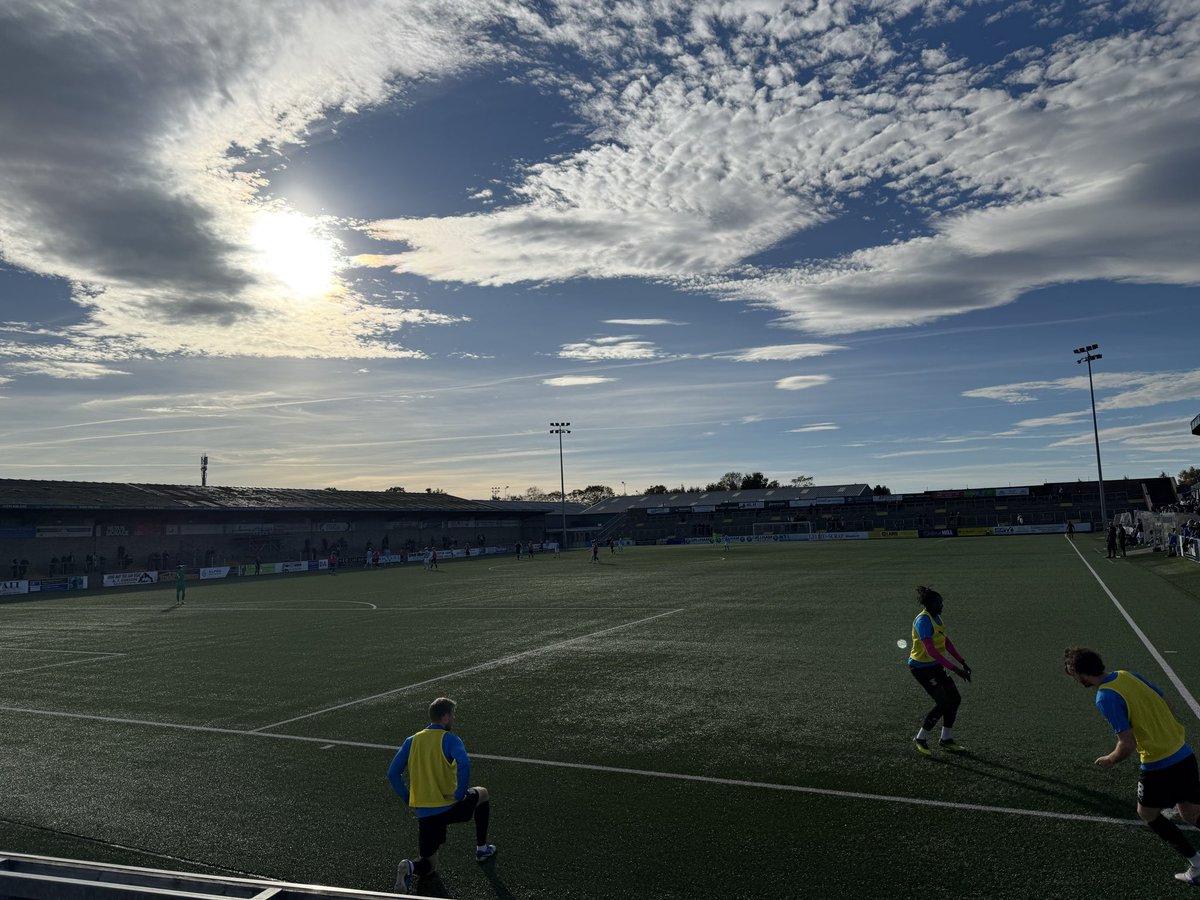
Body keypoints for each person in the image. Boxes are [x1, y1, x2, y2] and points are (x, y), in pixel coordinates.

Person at [1064, 647, 1200, 885]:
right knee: (1190, 813)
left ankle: (1197, 865)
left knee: (1146, 814)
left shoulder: (1105, 697)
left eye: (1073, 676)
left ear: (1081, 673)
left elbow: (1127, 744)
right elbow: (1167, 702)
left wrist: (1110, 759)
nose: (1075, 681)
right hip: (1183, 754)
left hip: (1159, 766)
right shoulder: (1127, 674)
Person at [389, 697, 496, 892]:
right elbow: (464, 763)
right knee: (483, 793)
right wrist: (461, 792)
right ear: (445, 717)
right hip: (451, 805)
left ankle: (409, 866)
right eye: (452, 715)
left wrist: (408, 799)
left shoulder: (411, 741)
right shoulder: (449, 739)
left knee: (429, 865)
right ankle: (482, 849)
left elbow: (392, 773)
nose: (453, 718)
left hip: (425, 813)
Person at [907, 585, 971, 756]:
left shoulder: (937, 618)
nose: (942, 605)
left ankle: (946, 739)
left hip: (934, 665)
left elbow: (945, 642)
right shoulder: (923, 621)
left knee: (955, 699)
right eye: (939, 603)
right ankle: (920, 738)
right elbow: (931, 651)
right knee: (943, 703)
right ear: (930, 604)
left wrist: (962, 661)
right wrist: (956, 669)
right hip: (921, 668)